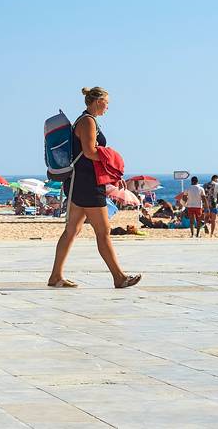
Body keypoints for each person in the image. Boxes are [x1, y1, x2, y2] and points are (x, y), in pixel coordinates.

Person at [48, 87, 141, 289]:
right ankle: (119, 277)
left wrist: (111, 170)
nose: (108, 106)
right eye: (107, 102)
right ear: (98, 101)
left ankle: (55, 276)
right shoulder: (88, 121)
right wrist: (114, 160)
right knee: (103, 230)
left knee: (72, 230)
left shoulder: (85, 120)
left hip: (79, 181)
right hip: (88, 184)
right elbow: (90, 152)